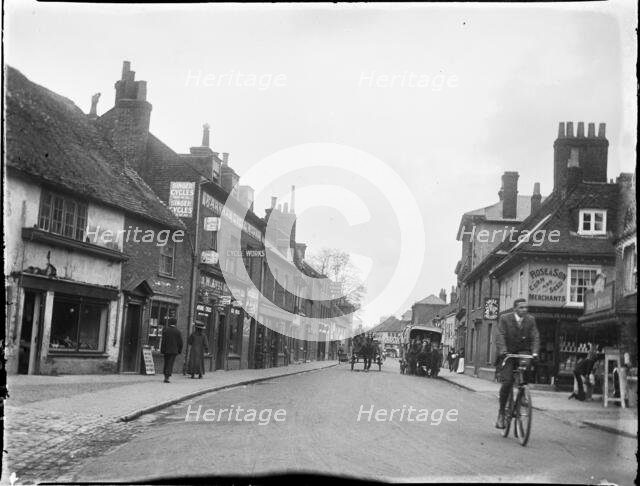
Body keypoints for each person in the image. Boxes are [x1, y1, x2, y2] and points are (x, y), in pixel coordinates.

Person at [494, 298, 540, 429]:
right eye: (521, 307)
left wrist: (535, 352)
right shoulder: (504, 318)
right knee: (507, 382)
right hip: (508, 353)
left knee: (527, 369)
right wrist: (503, 351)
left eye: (526, 307)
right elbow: (500, 335)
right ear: (515, 309)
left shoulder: (530, 320)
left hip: (523, 352)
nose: (524, 310)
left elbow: (535, 337)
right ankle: (502, 412)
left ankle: (523, 393)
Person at [160, 318, 183, 383]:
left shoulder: (165, 330)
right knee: (170, 363)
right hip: (174, 351)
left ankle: (165, 375)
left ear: (169, 323)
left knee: (166, 363)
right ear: (175, 323)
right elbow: (180, 343)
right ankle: (167, 377)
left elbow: (163, 341)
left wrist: (162, 350)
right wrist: (179, 350)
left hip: (166, 350)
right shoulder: (178, 332)